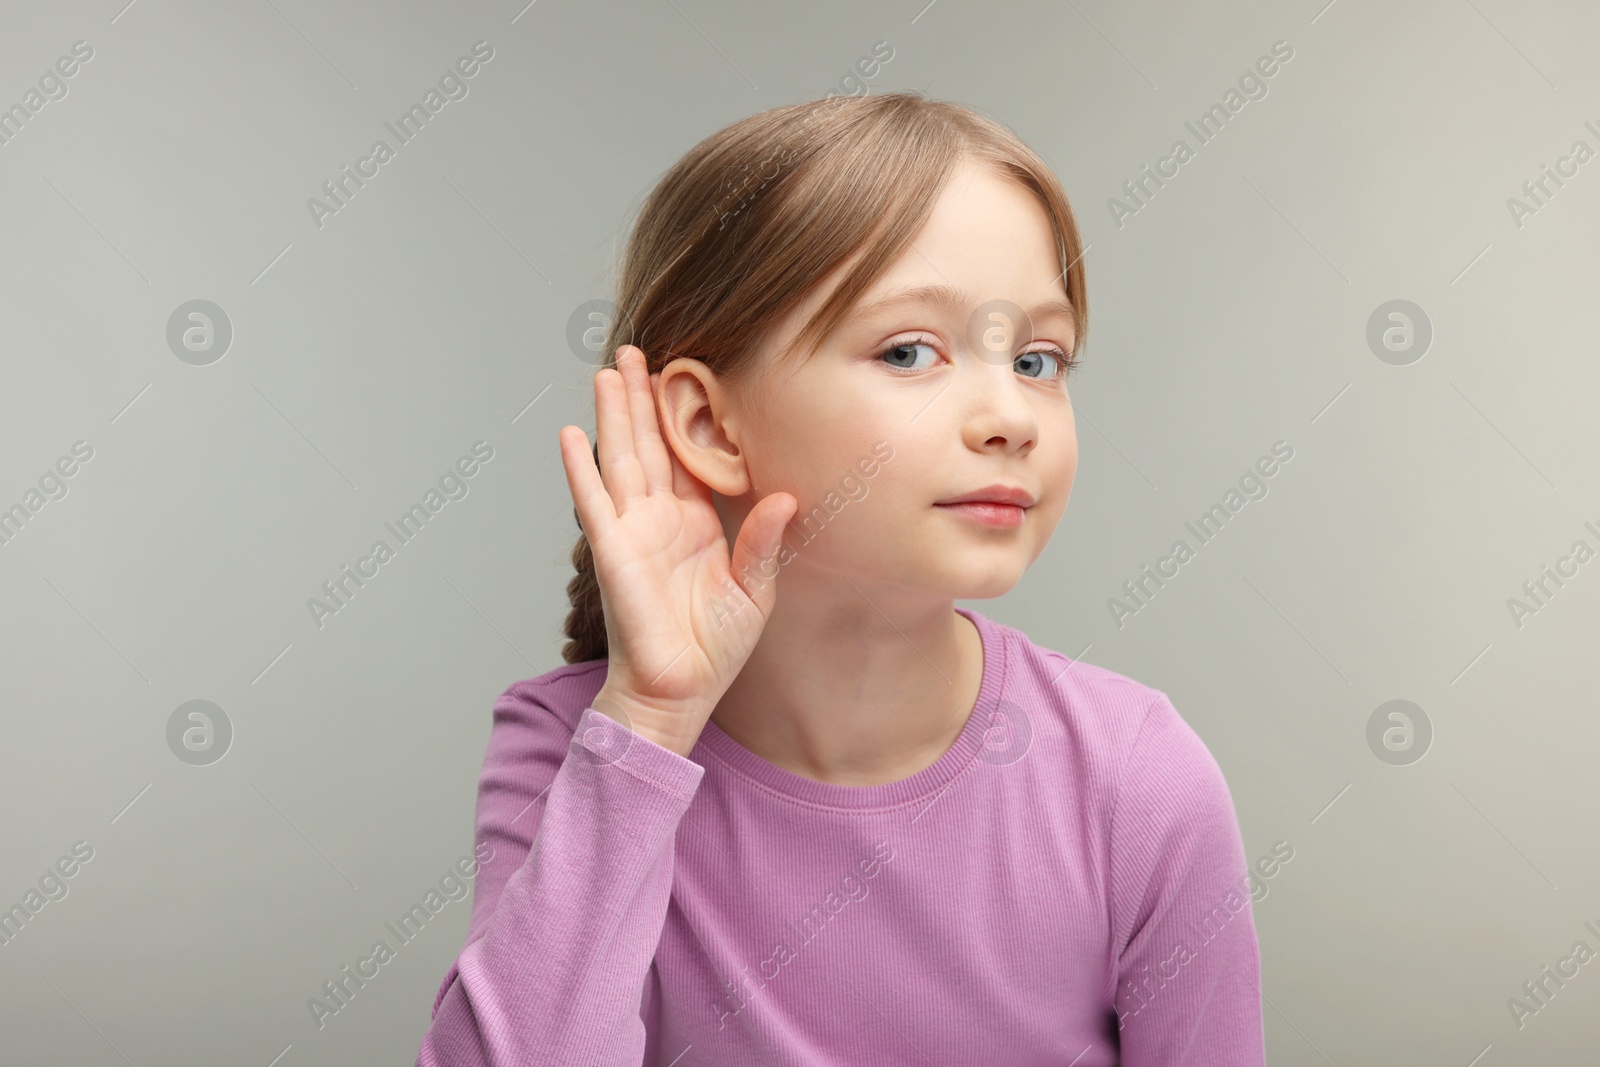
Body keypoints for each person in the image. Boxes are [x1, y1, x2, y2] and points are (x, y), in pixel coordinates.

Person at [416, 91, 1264, 1066]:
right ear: (706, 424)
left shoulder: (1137, 778)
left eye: (1038, 358)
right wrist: (649, 719)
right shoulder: (577, 748)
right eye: (910, 351)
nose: (1010, 415)